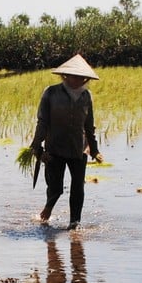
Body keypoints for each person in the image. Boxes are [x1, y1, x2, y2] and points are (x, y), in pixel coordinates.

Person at [30, 54, 103, 230]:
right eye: (74, 76)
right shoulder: (51, 93)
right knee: (55, 186)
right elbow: (43, 122)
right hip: (55, 147)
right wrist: (36, 145)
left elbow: (89, 125)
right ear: (65, 76)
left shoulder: (86, 96)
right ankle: (48, 207)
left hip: (79, 148)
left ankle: (74, 222)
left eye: (82, 78)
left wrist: (94, 150)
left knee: (78, 186)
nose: (78, 80)